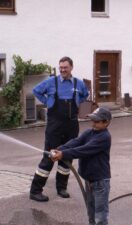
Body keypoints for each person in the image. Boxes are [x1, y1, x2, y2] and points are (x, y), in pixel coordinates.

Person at [29, 56, 89, 202]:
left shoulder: (78, 83)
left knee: (67, 156)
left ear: (71, 68)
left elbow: (85, 95)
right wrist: (48, 102)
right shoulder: (51, 82)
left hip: (72, 124)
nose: (62, 70)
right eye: (61, 67)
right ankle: (35, 191)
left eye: (65, 67)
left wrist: (76, 101)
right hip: (54, 125)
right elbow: (36, 91)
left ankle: (61, 188)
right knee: (50, 156)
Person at [50, 107, 112, 225]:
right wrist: (59, 149)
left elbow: (84, 150)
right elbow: (75, 142)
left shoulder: (104, 137)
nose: (93, 123)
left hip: (100, 183)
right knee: (91, 212)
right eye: (93, 120)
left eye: (97, 121)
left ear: (106, 122)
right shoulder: (89, 132)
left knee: (100, 216)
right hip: (89, 180)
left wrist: (63, 154)